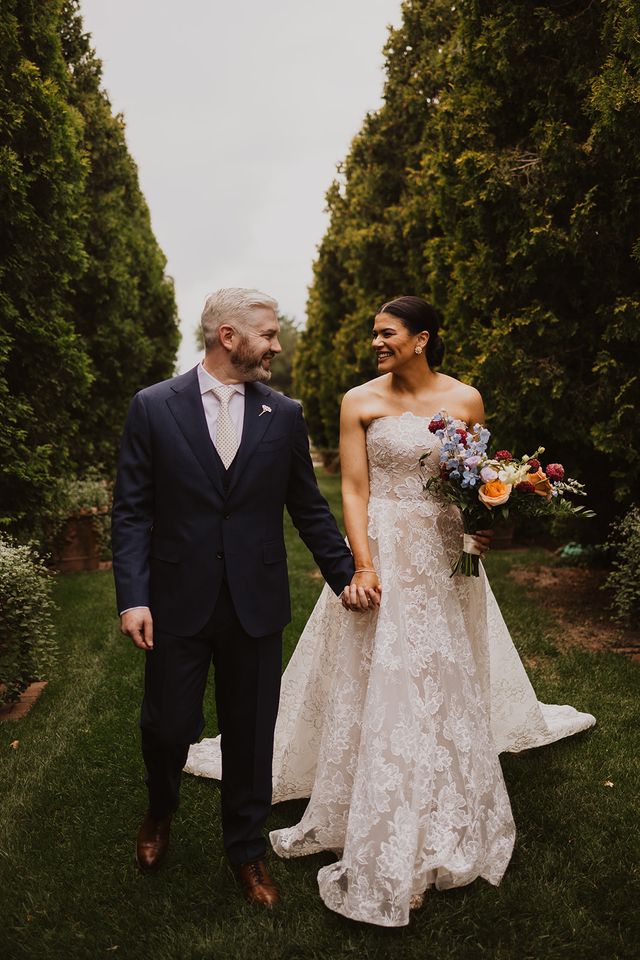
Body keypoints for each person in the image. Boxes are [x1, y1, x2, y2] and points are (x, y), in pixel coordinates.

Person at [185, 295, 596, 926]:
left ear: (422, 338)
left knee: (438, 667)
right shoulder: (359, 401)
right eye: (374, 335)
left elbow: (477, 479)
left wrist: (481, 525)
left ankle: (442, 788)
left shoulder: (466, 400)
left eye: (387, 333)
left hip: (442, 550)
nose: (377, 343)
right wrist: (363, 563)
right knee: (379, 665)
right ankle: (366, 782)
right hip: (382, 546)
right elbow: (353, 486)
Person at [111, 287, 367, 909]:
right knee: (168, 725)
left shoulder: (283, 414)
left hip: (255, 600)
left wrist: (347, 577)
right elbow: (133, 512)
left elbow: (308, 508)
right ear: (229, 336)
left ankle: (247, 851)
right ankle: (161, 809)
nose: (278, 345)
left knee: (252, 734)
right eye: (270, 334)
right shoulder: (153, 407)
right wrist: (133, 596)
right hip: (176, 601)